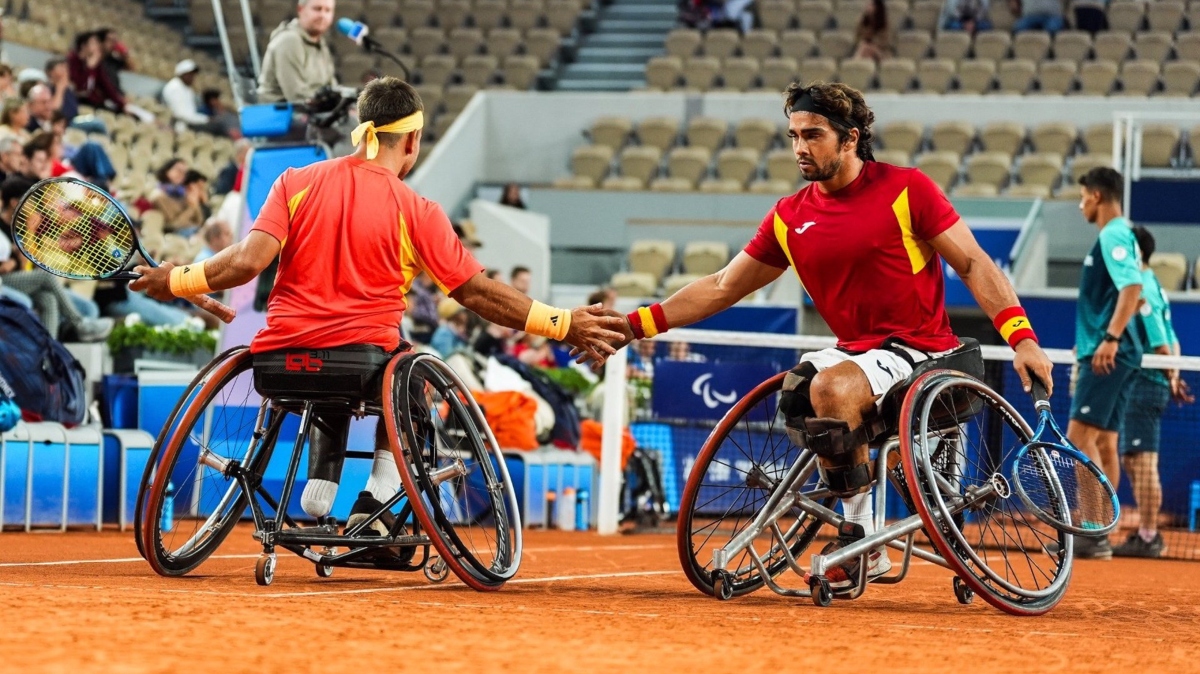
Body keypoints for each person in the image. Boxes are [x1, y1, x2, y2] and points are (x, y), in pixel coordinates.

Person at [579, 81, 1054, 590]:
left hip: (922, 352)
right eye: (793, 136)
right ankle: (862, 530)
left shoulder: (907, 190)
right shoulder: (789, 215)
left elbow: (975, 263)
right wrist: (635, 324)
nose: (800, 147)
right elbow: (721, 286)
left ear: (850, 139)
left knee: (830, 387)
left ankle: (859, 533)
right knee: (800, 385)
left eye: (813, 135)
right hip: (856, 353)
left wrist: (1022, 337)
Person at [130, 77, 624, 549]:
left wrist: (176, 280)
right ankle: (379, 498)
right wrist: (561, 322)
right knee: (409, 372)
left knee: (330, 369)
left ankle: (318, 490)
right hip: (363, 366)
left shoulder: (295, 181)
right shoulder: (418, 209)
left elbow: (245, 262)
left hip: (277, 365)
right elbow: (477, 294)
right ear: (412, 141)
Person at [1066, 166, 1144, 560]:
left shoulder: (1113, 233)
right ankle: (1099, 532)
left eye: (1082, 197)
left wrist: (1110, 339)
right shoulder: (1120, 234)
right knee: (1103, 443)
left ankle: (1093, 531)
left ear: (1096, 196)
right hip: (1114, 352)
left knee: (1079, 439)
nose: (1080, 205)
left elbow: (1133, 288)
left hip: (1108, 353)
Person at [1113, 226, 1193, 558]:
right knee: (1134, 461)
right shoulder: (1154, 283)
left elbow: (1161, 342)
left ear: (1136, 252)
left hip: (1144, 383)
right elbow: (1171, 339)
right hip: (1150, 381)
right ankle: (1148, 533)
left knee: (1142, 462)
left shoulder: (1142, 286)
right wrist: (1172, 377)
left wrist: (1168, 374)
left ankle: (1148, 536)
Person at [0, 176, 113, 341]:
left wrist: (27, 241)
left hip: (20, 278)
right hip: (5, 281)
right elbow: (18, 265)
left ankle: (49, 356)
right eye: (29, 201)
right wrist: (15, 261)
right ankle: (79, 323)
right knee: (46, 277)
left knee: (49, 300)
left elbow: (30, 262)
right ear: (14, 202)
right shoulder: (3, 228)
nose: (33, 207)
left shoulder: (24, 227)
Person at [257, 0, 338, 103]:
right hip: (282, 114)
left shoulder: (321, 44)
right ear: (300, 9)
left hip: (313, 112)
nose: (322, 15)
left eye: (328, 10)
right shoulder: (289, 40)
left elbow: (332, 87)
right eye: (317, 9)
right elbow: (297, 96)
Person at [67, 31, 125, 113]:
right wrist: (89, 68)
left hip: (91, 102)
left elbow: (106, 85)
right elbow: (81, 88)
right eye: (93, 43)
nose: (97, 47)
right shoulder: (72, 60)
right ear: (84, 46)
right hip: (76, 101)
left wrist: (121, 103)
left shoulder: (96, 64)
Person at [162, 60, 222, 135]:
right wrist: (205, 119)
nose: (192, 77)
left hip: (187, 127)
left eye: (193, 75)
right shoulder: (175, 87)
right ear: (182, 74)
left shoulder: (186, 88)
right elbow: (180, 114)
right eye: (189, 74)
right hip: (176, 127)